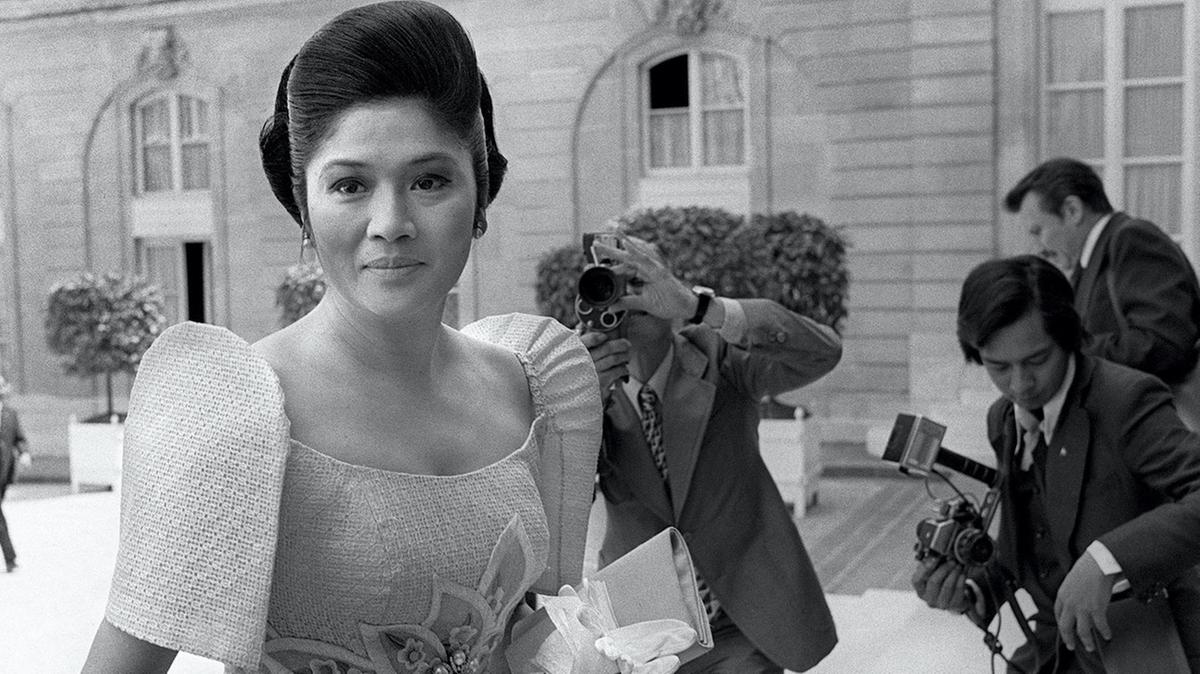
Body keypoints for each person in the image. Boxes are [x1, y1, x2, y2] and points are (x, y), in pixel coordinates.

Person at [83, 3, 606, 671]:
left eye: (429, 180)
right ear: (303, 208)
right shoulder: (232, 414)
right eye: (350, 185)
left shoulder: (534, 384)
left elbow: (535, 635)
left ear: (480, 196)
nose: (391, 222)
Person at [912, 254, 1200, 673]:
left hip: (1147, 649)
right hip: (1051, 653)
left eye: (1036, 360)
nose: (1019, 384)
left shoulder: (1126, 400)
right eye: (998, 367)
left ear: (1067, 337)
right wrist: (972, 592)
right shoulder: (1003, 419)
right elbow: (1025, 545)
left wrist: (1108, 560)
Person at [581, 234, 841, 673]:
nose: (627, 296)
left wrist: (698, 306)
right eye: (611, 283)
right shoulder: (585, 387)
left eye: (638, 279)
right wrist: (578, 401)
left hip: (744, 622)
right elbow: (562, 500)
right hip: (646, 631)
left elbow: (822, 352)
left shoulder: (718, 358)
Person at [1004, 157, 1200, 399]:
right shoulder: (1092, 262)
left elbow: (1162, 344)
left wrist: (1062, 354)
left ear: (1072, 210)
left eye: (1038, 231)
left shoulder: (1131, 238)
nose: (1037, 248)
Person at [0, 375, 30, 573]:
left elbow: (19, 438)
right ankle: (10, 558)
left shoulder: (10, 415)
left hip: (3, 473)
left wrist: (24, 453)